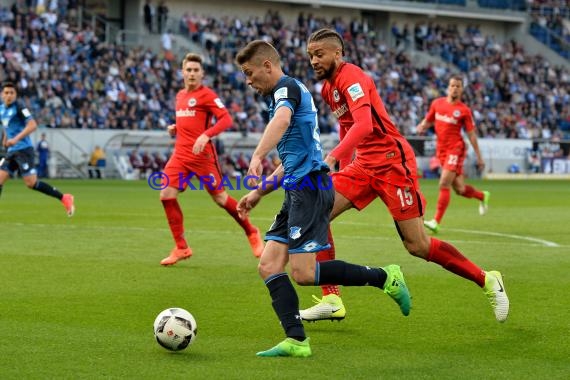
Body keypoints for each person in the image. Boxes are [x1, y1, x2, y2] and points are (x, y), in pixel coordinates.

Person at [298, 29, 508, 324]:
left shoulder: (352, 76)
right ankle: (332, 298)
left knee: (417, 245)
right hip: (363, 165)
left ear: (338, 53)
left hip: (392, 162)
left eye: (319, 54)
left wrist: (331, 158)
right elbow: (348, 128)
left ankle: (487, 279)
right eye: (310, 55)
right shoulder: (328, 89)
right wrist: (343, 165)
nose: (313, 61)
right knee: (317, 211)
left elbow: (365, 125)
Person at [235, 40, 411, 358]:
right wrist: (258, 192)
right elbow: (289, 161)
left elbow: (282, 122)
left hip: (311, 190)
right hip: (297, 190)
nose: (248, 81)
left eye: (250, 73)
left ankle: (385, 277)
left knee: (303, 273)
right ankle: (297, 341)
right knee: (269, 265)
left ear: (267, 66)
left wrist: (257, 155)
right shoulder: (281, 99)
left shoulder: (286, 89)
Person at [159, 53, 264, 266]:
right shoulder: (180, 96)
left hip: (202, 157)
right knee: (166, 195)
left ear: (202, 74)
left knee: (221, 199)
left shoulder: (207, 95)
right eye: (188, 70)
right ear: (182, 72)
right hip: (180, 155)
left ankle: (251, 231)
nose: (192, 73)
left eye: (196, 70)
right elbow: (190, 123)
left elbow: (226, 119)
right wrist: (176, 128)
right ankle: (181, 247)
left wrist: (206, 135)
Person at [416, 76, 490, 233]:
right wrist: (422, 125)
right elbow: (429, 120)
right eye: (452, 85)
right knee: (460, 190)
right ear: (448, 87)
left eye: (458, 86)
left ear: (462, 89)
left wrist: (479, 157)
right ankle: (483, 196)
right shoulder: (437, 104)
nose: (454, 88)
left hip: (455, 149)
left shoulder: (464, 110)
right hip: (441, 150)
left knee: (444, 183)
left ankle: (436, 222)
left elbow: (471, 135)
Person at [0, 82, 74, 216]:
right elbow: (7, 126)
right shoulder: (1, 109)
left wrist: (15, 139)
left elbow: (33, 125)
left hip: (24, 150)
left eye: (12, 93)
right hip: (11, 151)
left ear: (16, 95)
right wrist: (5, 140)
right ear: (2, 95)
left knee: (31, 183)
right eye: (6, 93)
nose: (9, 95)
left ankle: (64, 198)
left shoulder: (20, 107)